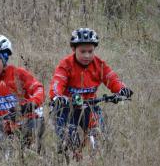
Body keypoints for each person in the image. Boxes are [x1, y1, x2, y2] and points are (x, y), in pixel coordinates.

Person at [49, 28, 133, 157]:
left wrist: (122, 89)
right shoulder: (65, 65)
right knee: (68, 140)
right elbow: (57, 83)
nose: (87, 55)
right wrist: (57, 97)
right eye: (82, 51)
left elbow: (112, 78)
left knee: (102, 136)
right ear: (73, 49)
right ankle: (67, 159)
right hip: (67, 107)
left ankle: (95, 161)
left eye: (90, 51)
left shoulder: (99, 65)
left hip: (90, 106)